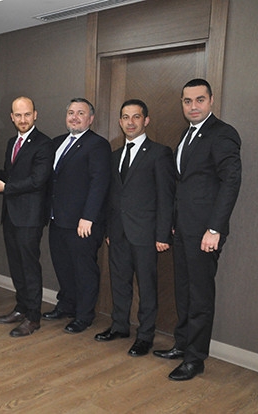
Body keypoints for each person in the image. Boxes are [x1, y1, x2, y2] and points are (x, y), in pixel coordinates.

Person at [153, 79, 241, 381]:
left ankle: (195, 359)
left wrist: (215, 228)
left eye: (199, 100)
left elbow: (230, 183)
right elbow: (185, 184)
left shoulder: (223, 134)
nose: (193, 106)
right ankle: (182, 344)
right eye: (187, 101)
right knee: (183, 290)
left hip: (205, 232)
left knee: (200, 296)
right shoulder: (187, 134)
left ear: (211, 100)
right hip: (183, 229)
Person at [94, 99, 175, 357]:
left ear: (145, 120)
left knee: (147, 287)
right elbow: (112, 197)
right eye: (126, 117)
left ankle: (145, 336)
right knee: (119, 282)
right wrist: (109, 230)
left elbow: (166, 197)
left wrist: (163, 234)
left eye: (136, 117)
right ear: (120, 122)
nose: (130, 122)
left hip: (146, 234)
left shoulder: (159, 153)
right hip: (118, 233)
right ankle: (119, 326)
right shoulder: (114, 155)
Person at [43, 98, 111, 334]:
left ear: (90, 119)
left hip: (82, 223)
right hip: (57, 219)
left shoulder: (98, 145)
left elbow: (99, 184)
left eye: (80, 113)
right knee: (63, 267)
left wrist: (88, 217)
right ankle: (66, 306)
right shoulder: (57, 143)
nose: (74, 117)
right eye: (71, 112)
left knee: (84, 271)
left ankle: (84, 316)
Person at [0, 96, 53, 337]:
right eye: (18, 115)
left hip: (30, 217)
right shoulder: (12, 142)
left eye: (27, 114)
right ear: (12, 117)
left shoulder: (44, 144)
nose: (23, 119)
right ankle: (21, 308)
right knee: (16, 265)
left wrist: (6, 188)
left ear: (35, 115)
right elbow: (12, 175)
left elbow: (38, 180)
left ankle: (33, 317)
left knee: (29, 267)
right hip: (11, 215)